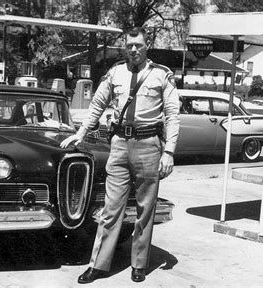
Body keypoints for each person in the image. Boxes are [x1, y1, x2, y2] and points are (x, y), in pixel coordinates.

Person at [60, 27, 180, 284]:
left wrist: (169, 151)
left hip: (148, 145)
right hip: (119, 145)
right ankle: (99, 265)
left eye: (138, 45)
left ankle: (139, 263)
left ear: (147, 45)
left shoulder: (161, 75)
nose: (134, 50)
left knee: (145, 209)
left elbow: (172, 115)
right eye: (129, 45)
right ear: (125, 46)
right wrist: (81, 133)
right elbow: (97, 105)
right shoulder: (115, 73)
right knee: (110, 209)